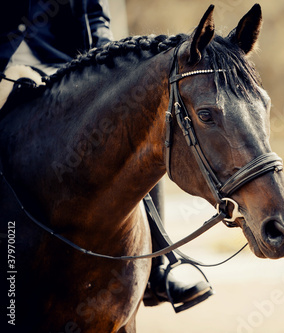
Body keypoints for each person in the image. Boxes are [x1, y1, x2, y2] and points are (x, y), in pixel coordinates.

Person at [0, 0, 212, 311]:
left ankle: (160, 261)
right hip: (4, 67)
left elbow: (95, 16)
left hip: (68, 64)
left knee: (138, 127)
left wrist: (106, 64)